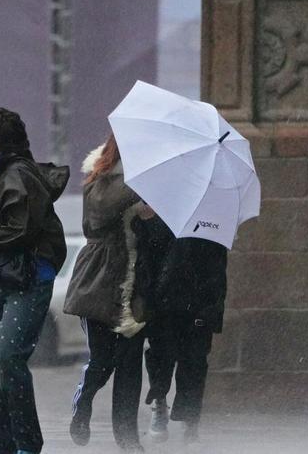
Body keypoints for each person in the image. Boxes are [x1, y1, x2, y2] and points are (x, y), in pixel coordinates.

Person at [0, 107, 69, 454]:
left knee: (8, 359)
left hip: (28, 279)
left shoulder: (21, 176)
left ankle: (26, 445)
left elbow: (20, 230)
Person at [62, 135, 153, 452]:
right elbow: (101, 211)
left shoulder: (147, 183)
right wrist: (138, 192)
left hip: (134, 285)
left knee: (130, 365)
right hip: (99, 280)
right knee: (102, 361)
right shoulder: (100, 176)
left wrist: (152, 214)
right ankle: (83, 402)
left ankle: (128, 440)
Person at [142, 236, 228, 444]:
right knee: (160, 358)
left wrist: (211, 311)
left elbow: (217, 273)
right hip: (165, 304)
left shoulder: (211, 231)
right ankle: (160, 403)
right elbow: (148, 261)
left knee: (194, 363)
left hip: (198, 305)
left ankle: (190, 421)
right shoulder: (161, 224)